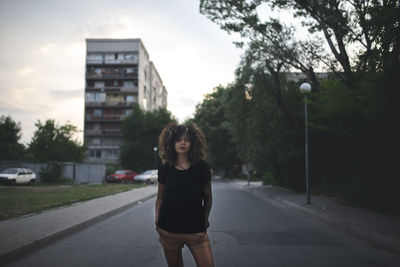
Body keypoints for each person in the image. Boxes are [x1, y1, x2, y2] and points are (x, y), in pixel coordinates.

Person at [155, 123, 215, 267]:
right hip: (168, 232)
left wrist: (205, 219)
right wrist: (157, 222)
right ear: (171, 143)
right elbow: (160, 198)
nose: (182, 143)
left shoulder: (202, 167)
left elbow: (208, 197)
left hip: (196, 232)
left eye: (187, 139)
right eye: (178, 139)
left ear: (193, 143)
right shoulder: (165, 168)